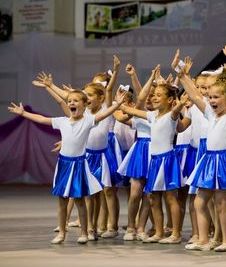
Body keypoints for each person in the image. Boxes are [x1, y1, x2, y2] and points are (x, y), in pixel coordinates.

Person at [7, 90, 125, 244]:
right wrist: (23, 113)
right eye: (70, 101)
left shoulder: (88, 121)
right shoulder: (63, 121)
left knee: (80, 200)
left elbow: (103, 115)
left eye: (76, 101)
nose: (71, 103)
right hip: (63, 164)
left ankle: (84, 232)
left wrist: (118, 104)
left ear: (85, 105)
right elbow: (42, 119)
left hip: (79, 164)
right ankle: (62, 233)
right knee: (62, 200)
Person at [178, 56, 226, 252]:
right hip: (208, 159)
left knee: (221, 204)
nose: (211, 100)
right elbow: (194, 96)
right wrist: (182, 74)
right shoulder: (210, 114)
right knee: (199, 201)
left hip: (223, 160)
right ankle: (203, 239)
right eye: (210, 97)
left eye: (215, 97)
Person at [119, 70, 186, 244]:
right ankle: (158, 232)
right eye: (153, 95)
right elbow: (131, 108)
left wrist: (180, 102)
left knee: (171, 198)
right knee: (153, 198)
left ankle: (176, 234)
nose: (154, 98)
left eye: (158, 95)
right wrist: (120, 103)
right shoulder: (151, 115)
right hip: (155, 161)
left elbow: (177, 108)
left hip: (168, 160)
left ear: (170, 100)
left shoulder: (171, 115)